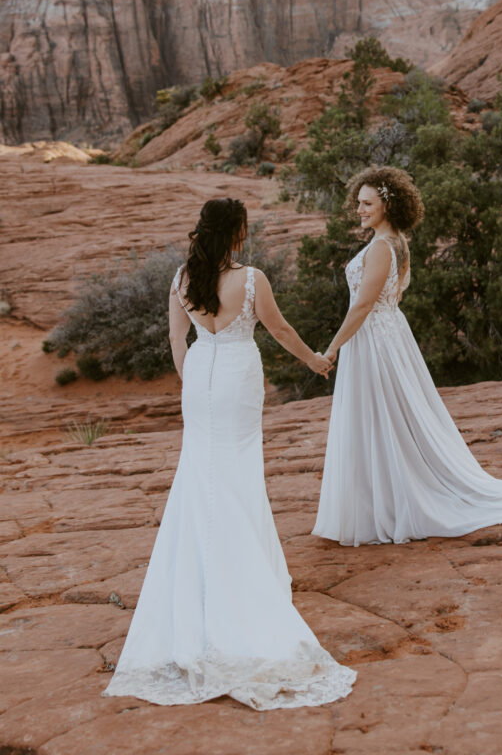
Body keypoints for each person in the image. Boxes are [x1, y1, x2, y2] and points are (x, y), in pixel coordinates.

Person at [104, 198, 355, 709]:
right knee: (237, 477)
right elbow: (280, 329)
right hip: (239, 376)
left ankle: (197, 596)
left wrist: (193, 379)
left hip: (200, 377)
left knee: (200, 476)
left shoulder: (181, 278)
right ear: (236, 232)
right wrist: (316, 362)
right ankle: (241, 587)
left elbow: (177, 342)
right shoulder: (253, 279)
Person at [313, 166, 502, 546]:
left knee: (383, 417)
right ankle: (383, 498)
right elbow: (389, 300)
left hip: (374, 341)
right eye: (359, 203)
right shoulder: (396, 241)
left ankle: (390, 501)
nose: (359, 210)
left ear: (388, 205)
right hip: (385, 336)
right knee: (389, 419)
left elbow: (364, 304)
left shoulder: (384, 246)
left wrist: (331, 349)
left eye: (367, 204)